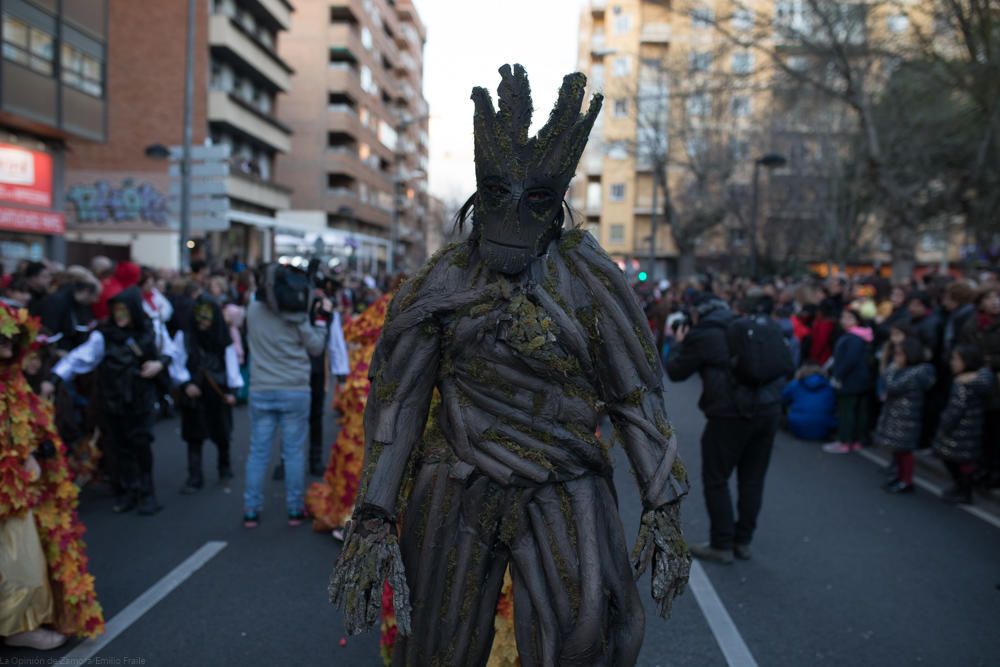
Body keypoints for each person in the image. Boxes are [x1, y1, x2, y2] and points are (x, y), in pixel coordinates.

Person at [330, 66, 690, 666]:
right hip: (458, 479)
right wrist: (374, 511)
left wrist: (664, 503)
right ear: (479, 192)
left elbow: (636, 394)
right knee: (439, 646)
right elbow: (397, 401)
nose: (515, 212)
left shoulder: (588, 277)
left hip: (563, 482)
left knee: (584, 641)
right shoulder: (443, 280)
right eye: (497, 194)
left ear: (557, 207)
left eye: (537, 200)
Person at [0, 305, 104, 649]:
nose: (8, 351)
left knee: (24, 557)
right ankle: (17, 626)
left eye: (12, 343)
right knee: (19, 561)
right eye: (1, 342)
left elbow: (23, 426)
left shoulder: (12, 382)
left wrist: (34, 451)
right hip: (8, 492)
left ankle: (21, 622)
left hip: (17, 490)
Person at [667, 292, 789, 565]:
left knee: (717, 478)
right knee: (753, 478)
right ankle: (742, 541)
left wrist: (678, 344)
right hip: (767, 410)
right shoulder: (745, 326)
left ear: (698, 313)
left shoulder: (704, 334)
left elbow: (676, 372)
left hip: (728, 415)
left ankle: (721, 544)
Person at [47, 287, 188, 514]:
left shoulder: (151, 330)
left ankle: (147, 492)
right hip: (112, 398)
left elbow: (171, 351)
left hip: (140, 397)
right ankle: (127, 491)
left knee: (141, 444)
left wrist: (159, 364)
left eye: (125, 311)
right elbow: (81, 358)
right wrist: (55, 377)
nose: (120, 316)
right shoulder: (104, 335)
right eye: (116, 311)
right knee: (119, 446)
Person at [242, 265, 332, 528]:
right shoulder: (298, 314)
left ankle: (251, 510)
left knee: (258, 451)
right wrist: (321, 322)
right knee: (293, 452)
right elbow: (316, 348)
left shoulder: (253, 310)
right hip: (295, 389)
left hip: (261, 388)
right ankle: (294, 510)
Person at [174, 296, 244, 492]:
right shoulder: (185, 336)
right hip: (194, 392)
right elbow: (177, 362)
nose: (202, 321)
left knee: (222, 432)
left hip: (217, 390)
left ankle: (225, 467)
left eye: (206, 317)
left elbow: (231, 365)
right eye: (199, 316)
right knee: (193, 436)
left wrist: (232, 390)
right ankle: (194, 477)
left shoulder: (222, 336)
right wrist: (186, 383)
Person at [933, 344, 996, 504]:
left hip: (959, 430)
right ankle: (962, 488)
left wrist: (943, 426)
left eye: (956, 359)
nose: (952, 363)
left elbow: (955, 410)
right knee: (963, 461)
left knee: (954, 460)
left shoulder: (962, 383)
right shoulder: (981, 380)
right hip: (972, 429)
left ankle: (963, 489)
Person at [874, 337, 936, 494]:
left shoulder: (914, 373)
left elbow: (893, 386)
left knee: (904, 451)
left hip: (906, 418)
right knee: (899, 450)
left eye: (899, 354)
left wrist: (891, 369)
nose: (896, 358)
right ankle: (900, 477)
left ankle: (906, 480)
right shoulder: (908, 371)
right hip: (898, 415)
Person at [959, 286, 1000, 488]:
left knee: (995, 431)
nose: (995, 302)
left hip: (996, 385)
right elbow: (964, 351)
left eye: (998, 298)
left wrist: (990, 361)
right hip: (977, 384)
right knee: (981, 430)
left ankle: (994, 471)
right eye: (990, 298)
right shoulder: (971, 325)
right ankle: (981, 469)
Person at [823, 308, 873, 454]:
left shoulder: (852, 338)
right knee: (858, 412)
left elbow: (848, 360)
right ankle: (856, 440)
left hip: (849, 381)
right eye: (843, 317)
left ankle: (845, 441)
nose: (844, 321)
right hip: (861, 380)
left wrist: (837, 375)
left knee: (847, 411)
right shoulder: (863, 337)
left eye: (849, 318)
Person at [781, 363, 836, 441]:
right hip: (823, 429)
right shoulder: (828, 386)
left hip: (798, 427)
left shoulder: (796, 384)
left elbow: (783, 399)